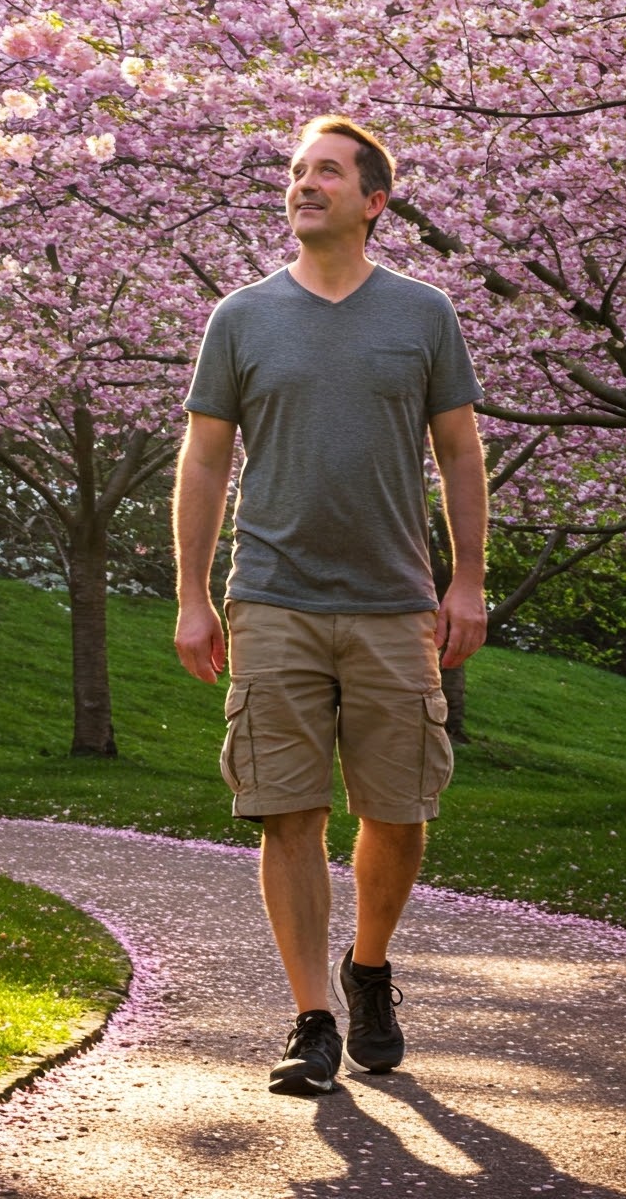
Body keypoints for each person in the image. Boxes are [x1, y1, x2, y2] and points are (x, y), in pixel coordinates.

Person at [172, 114, 489, 1096]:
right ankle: (311, 1014)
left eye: (327, 172)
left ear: (373, 200)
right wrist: (191, 592)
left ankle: (369, 965)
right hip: (271, 597)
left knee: (396, 809)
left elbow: (460, 450)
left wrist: (468, 577)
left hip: (396, 603)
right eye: (297, 170)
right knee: (286, 809)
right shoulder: (241, 317)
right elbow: (205, 457)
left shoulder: (423, 313)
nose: (304, 184)